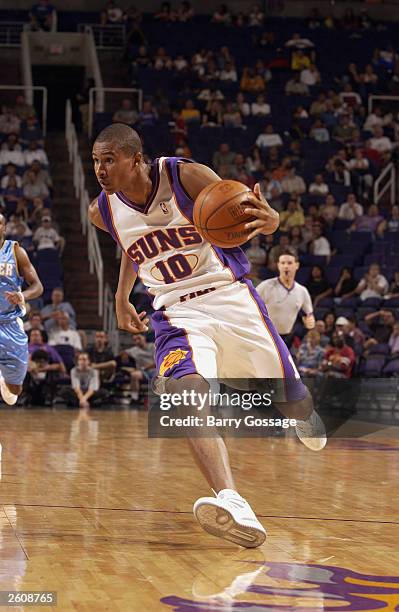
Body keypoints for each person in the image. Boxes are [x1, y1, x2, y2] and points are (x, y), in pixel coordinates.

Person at [88, 123, 326, 549]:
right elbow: (133, 244)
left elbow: (244, 213)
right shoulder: (100, 211)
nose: (100, 169)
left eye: (109, 159)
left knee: (291, 399)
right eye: (95, 160)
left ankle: (301, 408)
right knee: (185, 393)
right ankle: (232, 500)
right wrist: (123, 296)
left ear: (135, 159)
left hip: (230, 297)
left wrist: (269, 222)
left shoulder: (184, 176)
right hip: (176, 314)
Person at [0, 213, 43, 406]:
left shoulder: (16, 252)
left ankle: (5, 379)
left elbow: (38, 286)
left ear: (4, 227)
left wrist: (22, 296)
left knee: (14, 392)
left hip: (10, 325)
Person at [257, 247, 314, 347]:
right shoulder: (266, 286)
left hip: (287, 338)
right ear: (278, 266)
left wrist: (310, 322)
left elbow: (309, 316)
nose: (286, 266)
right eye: (282, 263)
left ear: (297, 265)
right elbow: (248, 304)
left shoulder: (302, 291)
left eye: (289, 263)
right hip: (266, 337)